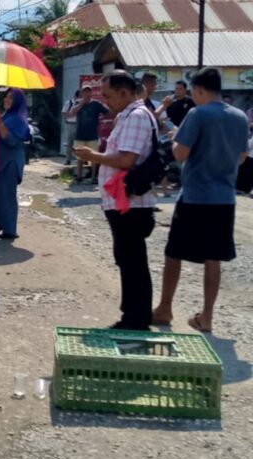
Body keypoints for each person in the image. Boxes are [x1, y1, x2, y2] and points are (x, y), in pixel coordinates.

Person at [152, 68, 249, 333]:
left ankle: (164, 308)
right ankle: (206, 316)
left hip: (195, 196)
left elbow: (181, 154)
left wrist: (174, 141)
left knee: (174, 253)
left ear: (200, 90)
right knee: (213, 258)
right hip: (225, 199)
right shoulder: (239, 116)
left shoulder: (197, 114)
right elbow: (241, 157)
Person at [74, 71, 157, 330]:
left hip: (131, 204)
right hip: (124, 202)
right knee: (128, 259)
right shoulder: (128, 115)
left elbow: (126, 160)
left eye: (108, 95)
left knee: (132, 262)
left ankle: (135, 319)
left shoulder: (136, 116)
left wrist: (93, 156)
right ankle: (131, 314)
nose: (106, 101)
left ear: (124, 92)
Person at [0, 89, 30, 240]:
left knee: (6, 195)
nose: (6, 99)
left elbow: (11, 140)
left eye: (11, 97)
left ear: (17, 101)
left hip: (10, 163)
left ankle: (10, 229)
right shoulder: (4, 116)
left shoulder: (18, 119)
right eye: (6, 96)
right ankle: (0, 224)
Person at [67, 86, 109, 184]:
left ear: (91, 93)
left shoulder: (96, 104)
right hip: (80, 134)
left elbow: (107, 112)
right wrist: (81, 103)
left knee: (94, 157)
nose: (87, 94)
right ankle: (79, 176)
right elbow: (71, 113)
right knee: (79, 157)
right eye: (85, 92)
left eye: (89, 92)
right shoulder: (77, 103)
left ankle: (94, 177)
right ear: (81, 94)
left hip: (93, 134)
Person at [61, 90, 80, 165]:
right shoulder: (69, 103)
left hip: (80, 124)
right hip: (71, 124)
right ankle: (68, 159)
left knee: (80, 143)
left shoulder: (83, 104)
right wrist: (72, 113)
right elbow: (64, 113)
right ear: (76, 96)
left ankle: (81, 159)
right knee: (70, 143)